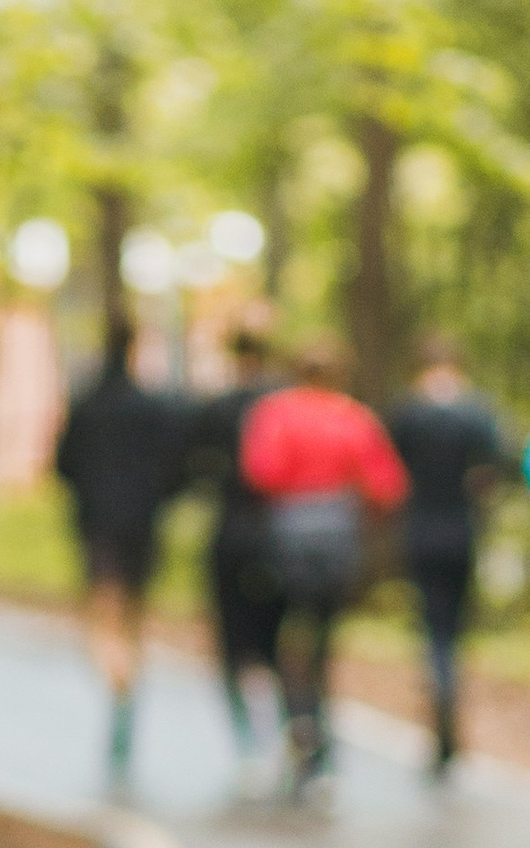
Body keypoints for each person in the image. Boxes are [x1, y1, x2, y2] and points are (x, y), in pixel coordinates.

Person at [236, 336, 407, 803]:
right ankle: (317, 735)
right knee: (322, 641)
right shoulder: (354, 417)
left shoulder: (275, 413)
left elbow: (260, 472)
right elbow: (387, 485)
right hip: (337, 537)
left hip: (289, 534)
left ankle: (301, 727)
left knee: (289, 636)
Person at [52, 320, 194, 784]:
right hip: (143, 526)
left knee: (102, 613)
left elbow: (62, 466)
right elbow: (178, 470)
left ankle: (117, 678)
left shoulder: (87, 405)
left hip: (97, 527)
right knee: (133, 613)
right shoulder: (154, 408)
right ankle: (125, 679)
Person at [385, 336, 507, 773]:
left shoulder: (407, 413)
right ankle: (449, 683)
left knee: (431, 625)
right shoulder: (477, 413)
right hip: (462, 529)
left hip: (420, 529)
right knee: (455, 625)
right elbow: (497, 469)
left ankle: (439, 681)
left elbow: (388, 471)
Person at [184, 313, 283, 777]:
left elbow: (192, 469)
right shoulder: (281, 403)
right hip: (277, 537)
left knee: (231, 644)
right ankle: (282, 736)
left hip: (230, 536)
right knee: (276, 640)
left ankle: (247, 745)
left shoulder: (216, 407)